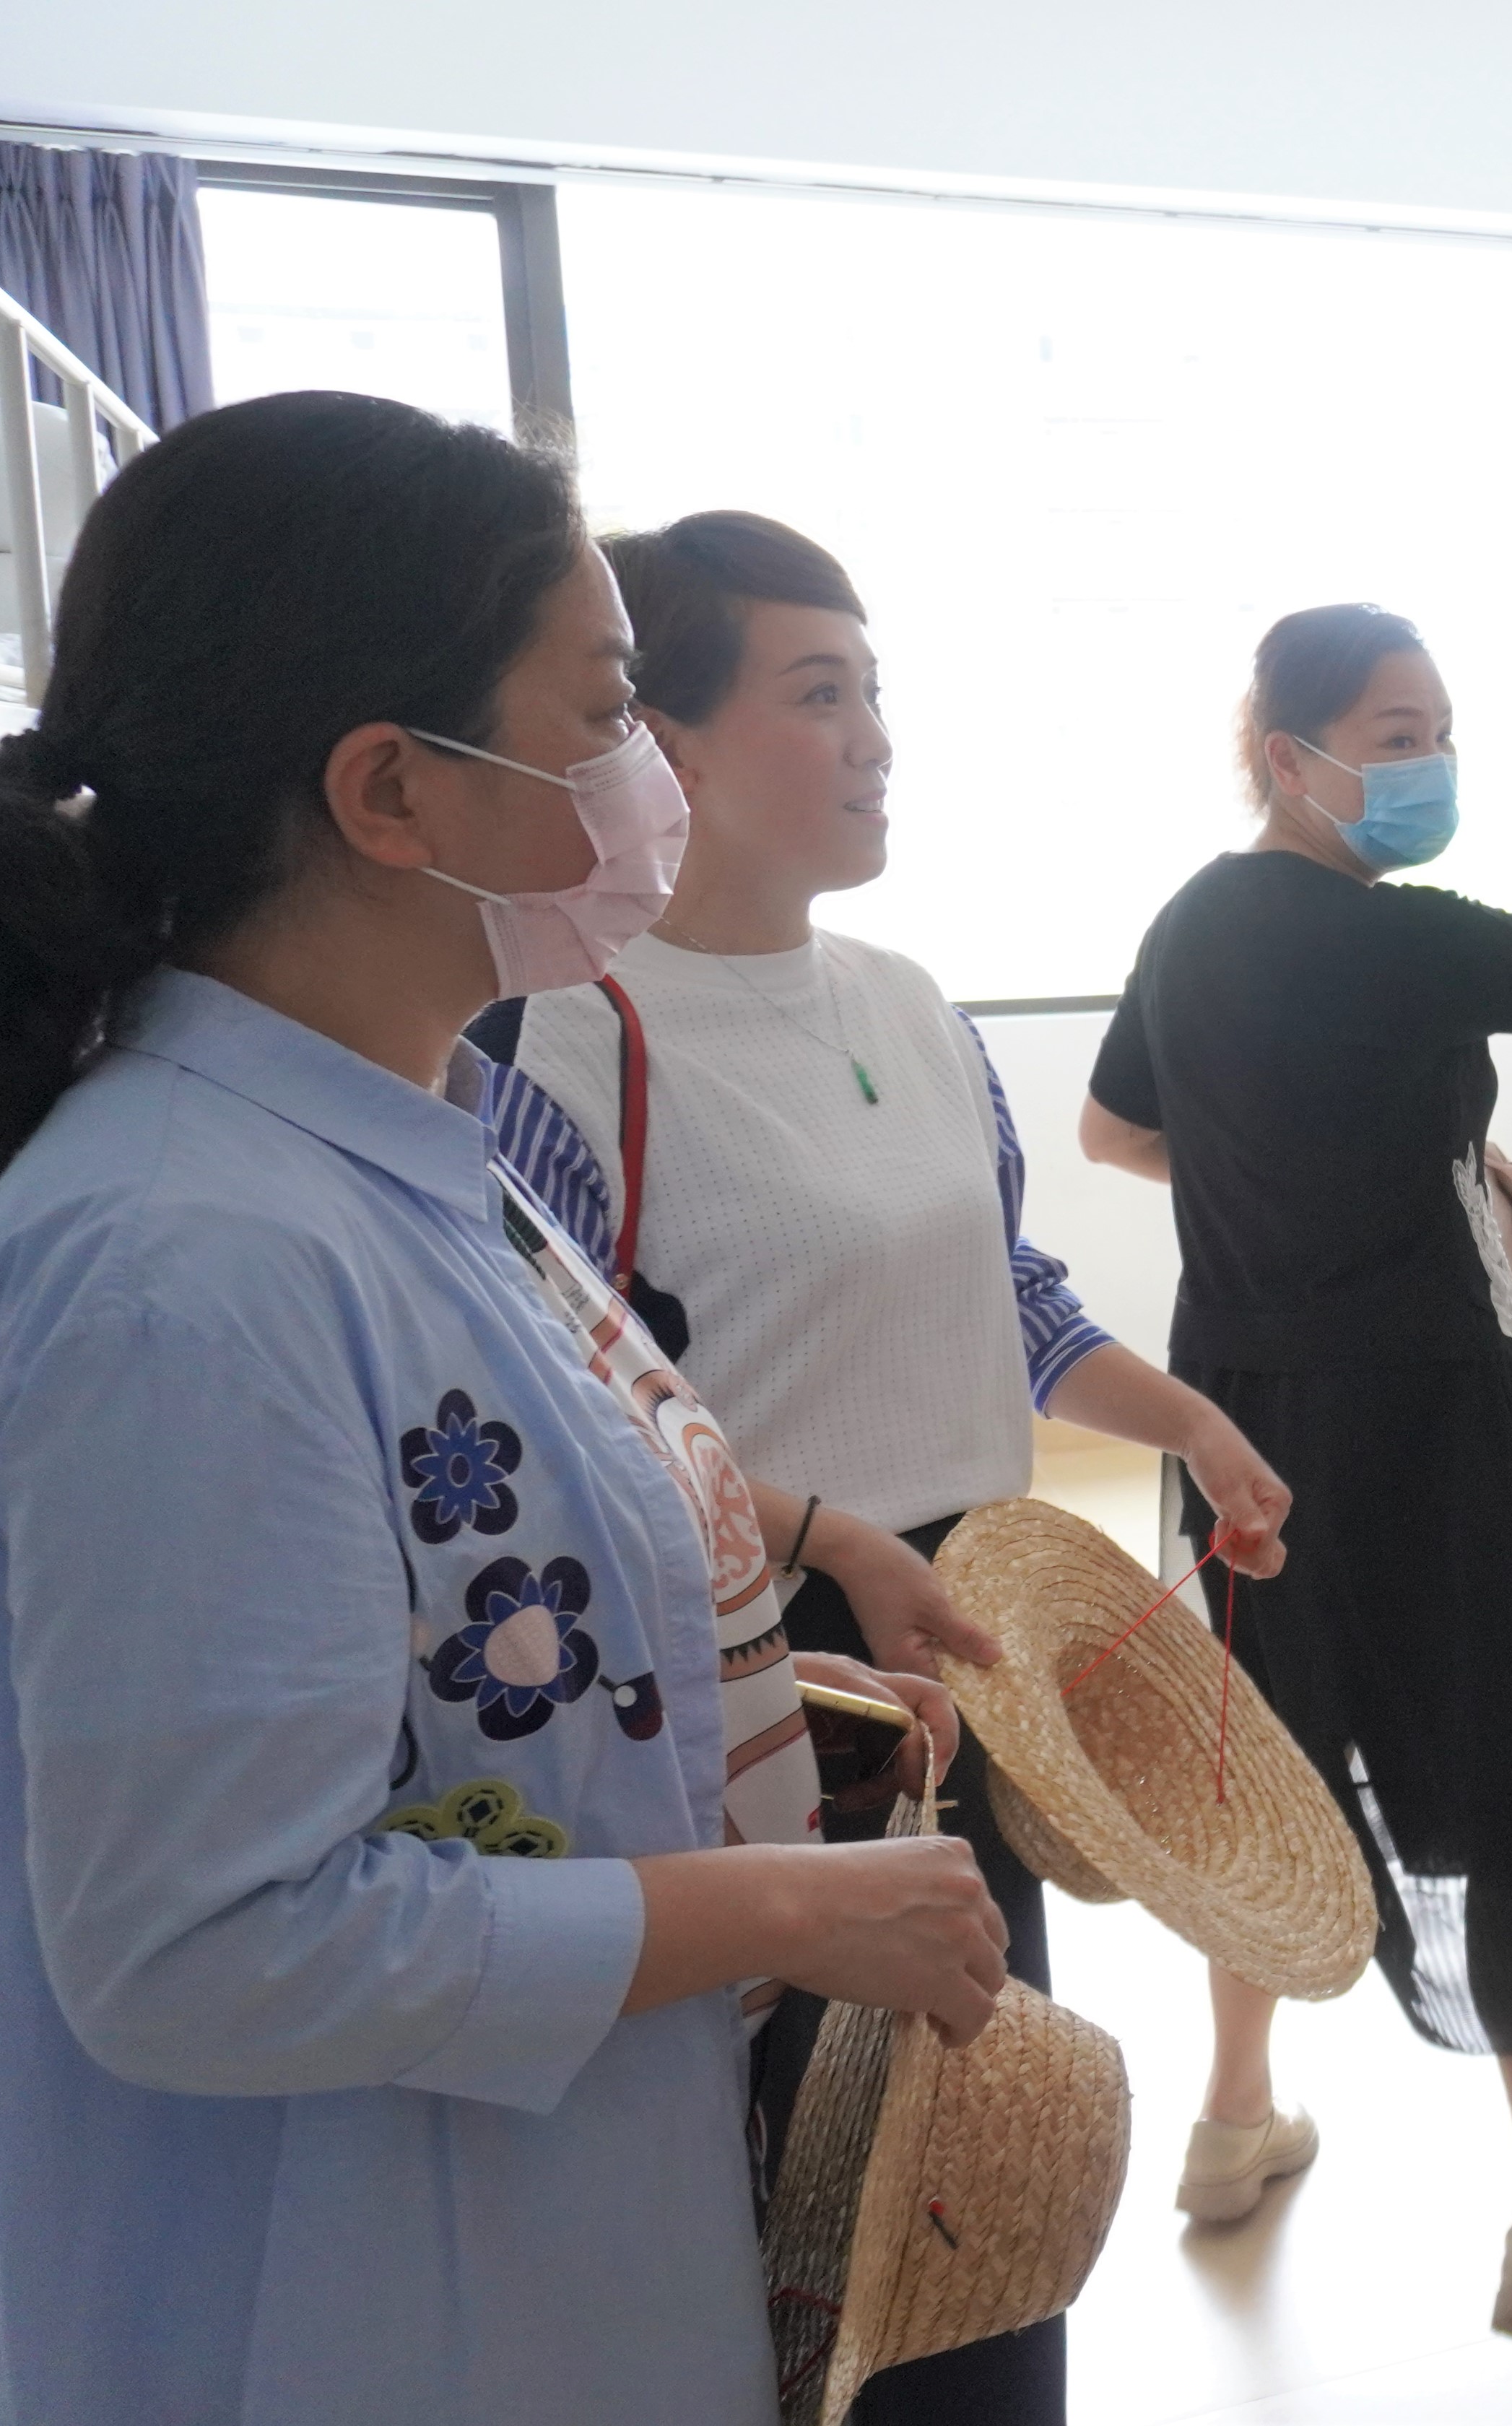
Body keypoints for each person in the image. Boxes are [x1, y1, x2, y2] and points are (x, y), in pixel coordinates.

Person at [0, 391, 1007, 2424]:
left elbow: (460, 1594)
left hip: (556, 2228)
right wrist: (786, 1904)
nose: (648, 770)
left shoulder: (414, 1139)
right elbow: (204, 1947)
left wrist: (753, 1674)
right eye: (603, 712)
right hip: (353, 2311)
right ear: (394, 790)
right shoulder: (184, 1256)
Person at [469, 508, 1300, 2423]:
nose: (874, 740)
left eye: (876, 691)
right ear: (661, 743)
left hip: (973, 1654)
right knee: (792, 2209)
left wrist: (1187, 1420)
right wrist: (826, 1541)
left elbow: (1002, 1284)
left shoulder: (915, 1003)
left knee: (976, 2178)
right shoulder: (560, 1046)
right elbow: (557, 1413)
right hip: (774, 1689)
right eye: (818, 694)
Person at [1082, 603, 1512, 2350]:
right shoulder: (1388, 934)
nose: (1431, 763)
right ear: (1288, 753)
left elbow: (1114, 1128)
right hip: (1430, 1411)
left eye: (1442, 731)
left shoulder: (1193, 919)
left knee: (1267, 1756)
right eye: (1396, 735)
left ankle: (1232, 2117)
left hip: (1245, 1410)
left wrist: (1303, 1172)